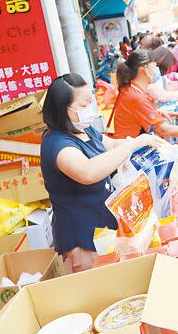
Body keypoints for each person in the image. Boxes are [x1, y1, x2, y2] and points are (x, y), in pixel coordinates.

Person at [41, 73, 166, 272]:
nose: (89, 109)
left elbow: (111, 144)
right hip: (82, 240)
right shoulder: (56, 143)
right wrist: (133, 144)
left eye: (90, 102)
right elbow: (87, 172)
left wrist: (131, 143)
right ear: (61, 109)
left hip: (104, 232)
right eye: (83, 106)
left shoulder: (84, 130)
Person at [112, 50, 178, 139]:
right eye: (154, 66)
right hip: (132, 149)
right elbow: (163, 130)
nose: (157, 69)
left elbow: (136, 114)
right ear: (142, 69)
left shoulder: (132, 89)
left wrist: (158, 113)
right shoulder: (137, 96)